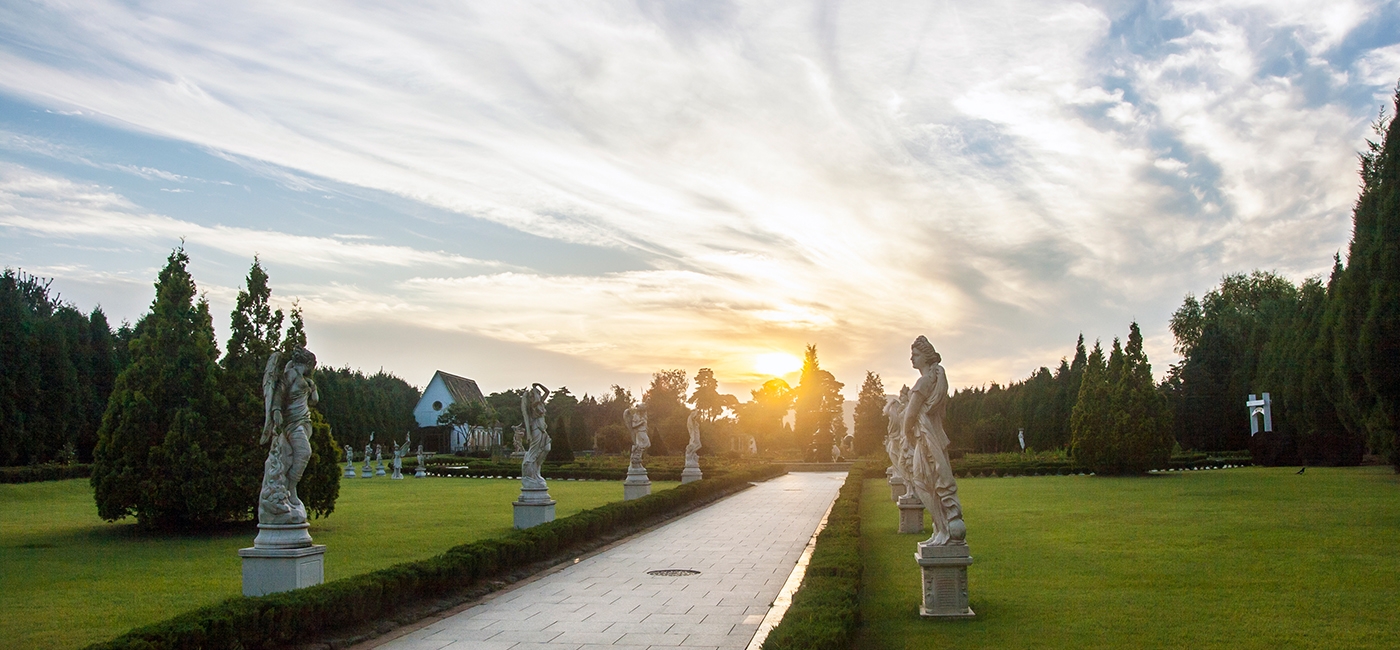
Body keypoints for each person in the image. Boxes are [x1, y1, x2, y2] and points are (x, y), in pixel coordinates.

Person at [901, 336, 966, 546]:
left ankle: (944, 530)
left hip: (927, 440)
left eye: (916, 354)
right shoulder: (935, 379)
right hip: (933, 437)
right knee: (931, 482)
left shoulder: (923, 382)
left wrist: (906, 435)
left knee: (923, 483)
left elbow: (909, 416)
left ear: (926, 357)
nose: (912, 358)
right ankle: (941, 529)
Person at [258, 347, 318, 523]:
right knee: (304, 453)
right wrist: (275, 410)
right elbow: (279, 393)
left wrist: (312, 388)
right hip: (292, 422)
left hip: (304, 421)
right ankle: (291, 489)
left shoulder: (305, 380)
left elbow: (314, 401)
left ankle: (290, 489)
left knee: (297, 456)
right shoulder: (290, 374)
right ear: (307, 363)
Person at [520, 383, 551, 489]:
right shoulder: (533, 405)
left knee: (546, 448)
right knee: (534, 452)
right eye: (537, 393)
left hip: (542, 430)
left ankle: (537, 470)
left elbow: (547, 392)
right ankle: (530, 473)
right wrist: (533, 390)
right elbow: (537, 400)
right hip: (536, 429)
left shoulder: (541, 402)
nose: (539, 394)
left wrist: (538, 385)